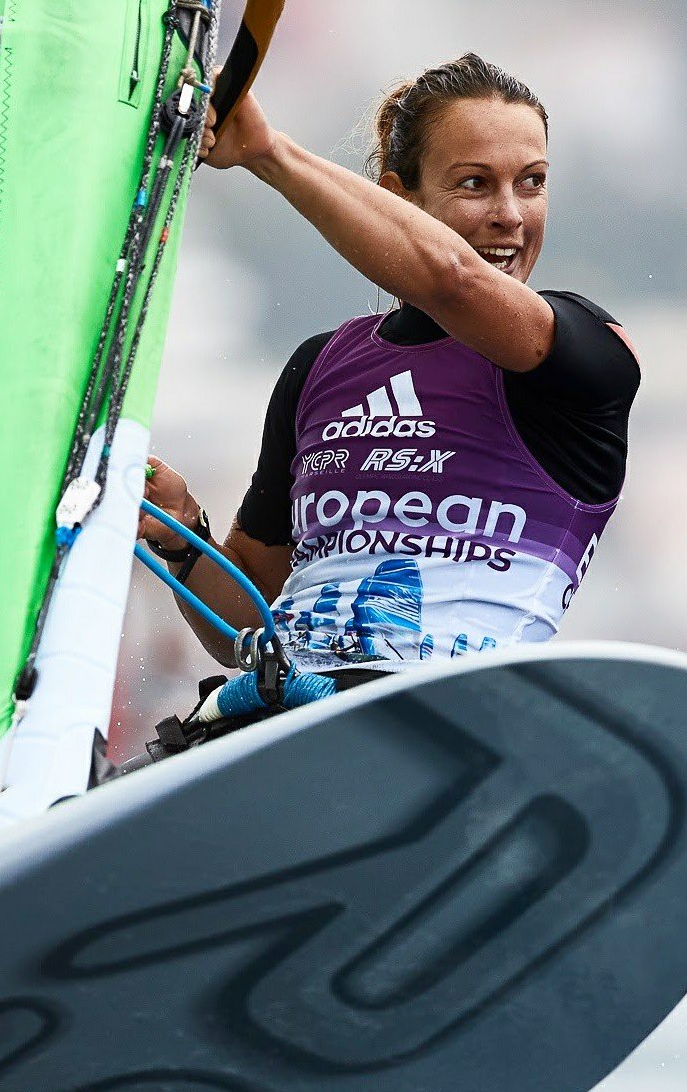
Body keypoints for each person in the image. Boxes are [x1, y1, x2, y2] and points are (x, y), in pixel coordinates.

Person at [140, 53, 640, 676]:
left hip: (458, 718)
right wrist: (181, 534)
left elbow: (453, 280)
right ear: (398, 198)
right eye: (475, 183)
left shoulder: (580, 357)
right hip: (296, 714)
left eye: (532, 182)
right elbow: (254, 612)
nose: (511, 213)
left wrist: (270, 155)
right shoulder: (319, 366)